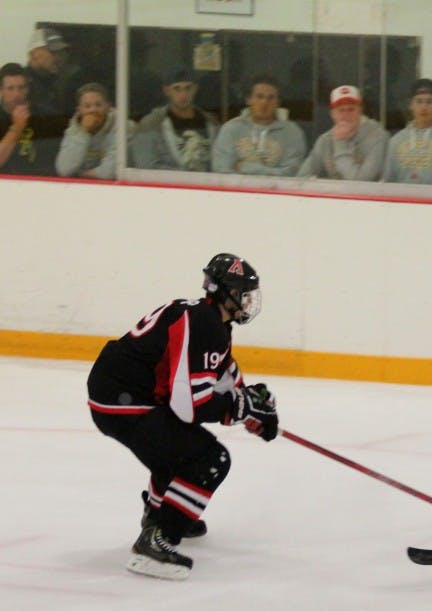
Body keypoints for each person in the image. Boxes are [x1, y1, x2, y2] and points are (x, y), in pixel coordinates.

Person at [87, 253, 279, 580]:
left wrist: (252, 404)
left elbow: (221, 372)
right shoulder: (202, 323)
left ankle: (159, 514)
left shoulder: (210, 320)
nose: (247, 301)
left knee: (177, 449)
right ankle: (157, 541)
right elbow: (189, 406)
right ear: (226, 292)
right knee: (210, 458)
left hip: (126, 394)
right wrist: (242, 407)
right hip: (122, 400)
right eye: (243, 293)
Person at [211, 73, 307, 176]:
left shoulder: (292, 132)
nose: (264, 102)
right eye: (259, 96)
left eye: (271, 98)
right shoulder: (231, 129)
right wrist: (271, 172)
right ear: (248, 99)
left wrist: (245, 167)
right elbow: (221, 169)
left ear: (278, 102)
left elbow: (291, 173)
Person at [129, 67, 219, 171]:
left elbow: (219, 161)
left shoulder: (210, 122)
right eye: (177, 88)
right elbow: (145, 166)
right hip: (168, 186)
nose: (183, 94)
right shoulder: (151, 123)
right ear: (167, 90)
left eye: (188, 88)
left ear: (195, 89)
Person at [298, 84, 388, 181]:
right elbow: (302, 178)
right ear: (332, 114)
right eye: (341, 110)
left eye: (351, 109)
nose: (346, 115)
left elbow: (360, 182)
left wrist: (340, 144)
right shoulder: (325, 140)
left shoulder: (378, 136)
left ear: (360, 111)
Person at [55, 82, 129, 179]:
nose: (93, 110)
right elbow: (64, 169)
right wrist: (83, 132)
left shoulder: (122, 127)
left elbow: (110, 171)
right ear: (79, 110)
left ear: (108, 107)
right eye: (87, 106)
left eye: (98, 105)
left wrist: (81, 174)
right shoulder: (73, 130)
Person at [0, 62, 62, 175]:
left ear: (27, 89)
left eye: (21, 88)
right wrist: (17, 127)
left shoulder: (44, 116)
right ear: (1, 90)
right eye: (10, 89)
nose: (17, 94)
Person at [25, 28, 86, 124]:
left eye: (61, 52)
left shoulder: (62, 81)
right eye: (53, 52)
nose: (59, 57)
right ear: (34, 54)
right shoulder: (21, 84)